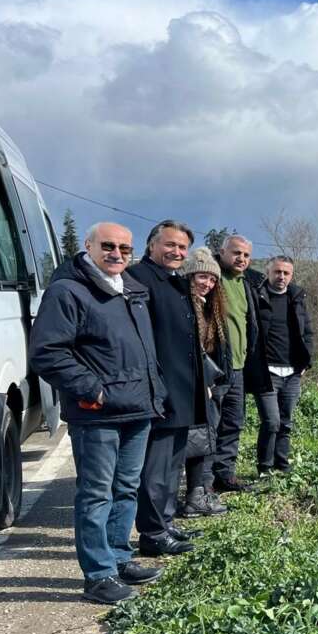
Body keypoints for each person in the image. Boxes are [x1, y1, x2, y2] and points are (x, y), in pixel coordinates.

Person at [29, 222, 166, 604]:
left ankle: (119, 558)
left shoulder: (132, 291)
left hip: (137, 409)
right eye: (108, 246)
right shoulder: (68, 292)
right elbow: (47, 353)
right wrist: (92, 390)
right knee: (96, 494)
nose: (117, 254)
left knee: (125, 489)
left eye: (125, 248)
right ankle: (98, 575)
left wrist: (157, 389)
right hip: (98, 414)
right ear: (88, 245)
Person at [128, 220, 205, 556]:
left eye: (182, 247)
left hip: (181, 388)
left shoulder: (174, 281)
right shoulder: (140, 279)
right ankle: (153, 533)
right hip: (160, 389)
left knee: (172, 464)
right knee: (156, 468)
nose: (177, 252)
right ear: (151, 245)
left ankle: (166, 521)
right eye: (170, 245)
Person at [212, 235, 271, 492]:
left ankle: (224, 475)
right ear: (222, 252)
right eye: (236, 253)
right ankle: (202, 483)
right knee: (208, 426)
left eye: (246, 255)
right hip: (213, 367)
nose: (242, 259)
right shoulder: (211, 277)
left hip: (238, 367)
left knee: (233, 423)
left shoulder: (247, 283)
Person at [179, 248, 231, 517]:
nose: (207, 284)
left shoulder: (210, 307)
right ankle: (190, 497)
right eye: (202, 277)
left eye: (212, 280)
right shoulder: (183, 306)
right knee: (189, 443)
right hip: (190, 386)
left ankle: (198, 495)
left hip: (208, 386)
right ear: (189, 275)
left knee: (204, 441)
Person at [252, 256, 314, 476]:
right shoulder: (257, 297)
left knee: (286, 422)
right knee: (271, 421)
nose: (281, 277)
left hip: (292, 372)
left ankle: (282, 465)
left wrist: (307, 362)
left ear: (291, 275)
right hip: (267, 371)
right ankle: (264, 467)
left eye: (286, 273)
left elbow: (307, 332)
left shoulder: (296, 298)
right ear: (268, 272)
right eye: (277, 272)